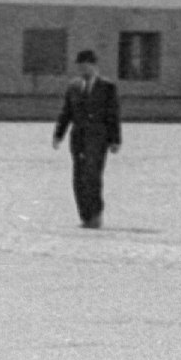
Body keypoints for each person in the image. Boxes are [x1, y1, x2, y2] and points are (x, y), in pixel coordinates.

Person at [51, 47, 123, 228]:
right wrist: (58, 134)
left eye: (85, 66)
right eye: (79, 66)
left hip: (98, 138)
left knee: (93, 176)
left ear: (93, 65)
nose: (81, 70)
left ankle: (96, 214)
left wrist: (116, 140)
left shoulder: (107, 87)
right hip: (78, 138)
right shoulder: (74, 86)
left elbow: (113, 114)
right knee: (78, 177)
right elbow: (66, 112)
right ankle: (85, 216)